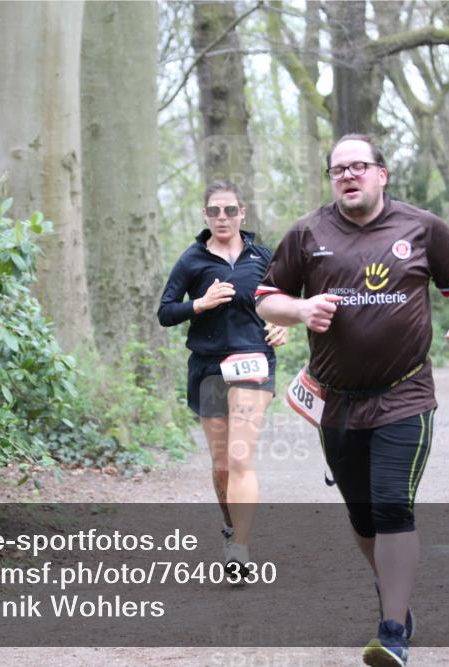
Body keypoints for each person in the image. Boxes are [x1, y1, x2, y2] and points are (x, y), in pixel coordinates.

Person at [255, 135, 449, 666]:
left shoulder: (421, 228)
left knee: (390, 505)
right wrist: (301, 309)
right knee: (362, 518)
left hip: (405, 393)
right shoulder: (307, 233)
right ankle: (395, 595)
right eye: (338, 169)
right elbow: (267, 299)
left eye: (359, 166)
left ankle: (392, 631)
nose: (348, 176)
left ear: (383, 174)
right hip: (337, 403)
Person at [157, 180, 287, 575]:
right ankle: (232, 528)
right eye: (214, 211)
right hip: (209, 368)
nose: (222, 217)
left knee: (239, 455)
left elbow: (283, 302)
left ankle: (240, 551)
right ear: (205, 216)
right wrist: (200, 303)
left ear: (242, 213)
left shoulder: (263, 256)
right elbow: (165, 312)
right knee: (221, 465)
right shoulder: (193, 260)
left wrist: (283, 326)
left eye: (229, 210)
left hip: (253, 362)